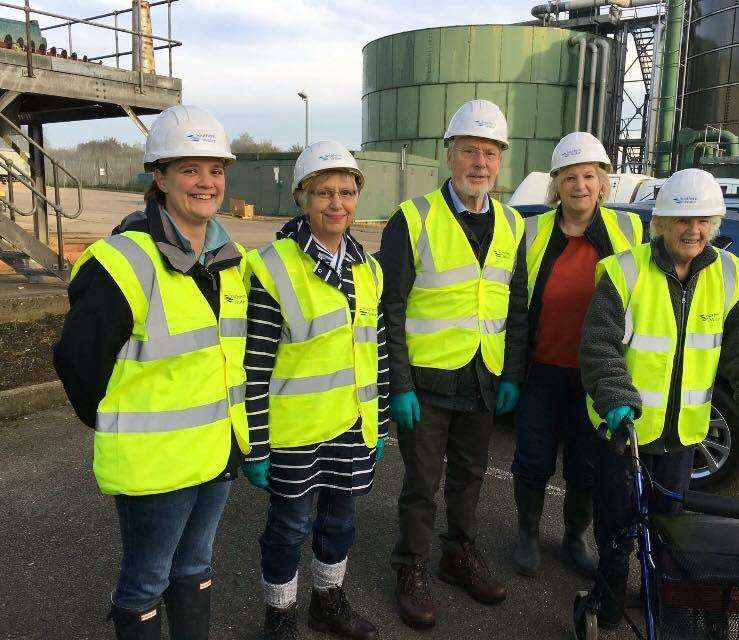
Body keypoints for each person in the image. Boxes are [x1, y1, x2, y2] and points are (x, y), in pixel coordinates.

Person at [53, 105, 249, 640]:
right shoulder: (123, 260)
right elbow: (76, 361)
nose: (206, 182)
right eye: (189, 169)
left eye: (215, 169)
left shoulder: (229, 258)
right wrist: (117, 421)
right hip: (155, 466)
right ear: (159, 178)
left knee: (195, 568)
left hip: (214, 453)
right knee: (146, 582)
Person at [578, 168, 739, 631]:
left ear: (713, 225)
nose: (692, 230)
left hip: (682, 434)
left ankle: (662, 597)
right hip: (624, 429)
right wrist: (615, 395)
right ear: (661, 222)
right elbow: (598, 345)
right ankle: (608, 594)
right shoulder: (624, 271)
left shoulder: (729, 275)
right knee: (617, 525)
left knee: (671, 527)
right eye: (681, 220)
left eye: (702, 221)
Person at [379, 99, 527, 630]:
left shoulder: (512, 225)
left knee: (470, 477)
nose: (479, 163)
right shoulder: (412, 219)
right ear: (449, 155)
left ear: (500, 161)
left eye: (489, 153)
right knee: (422, 483)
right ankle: (411, 567)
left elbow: (517, 307)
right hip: (426, 382)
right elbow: (389, 307)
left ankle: (457, 555)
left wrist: (511, 374)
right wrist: (399, 384)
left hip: (484, 381)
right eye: (469, 150)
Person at [241, 141, 388, 640]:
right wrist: (256, 444)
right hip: (293, 432)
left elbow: (377, 351)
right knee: (288, 529)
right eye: (324, 192)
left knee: (340, 524)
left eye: (346, 192)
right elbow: (254, 364)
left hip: (352, 424)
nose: (337, 203)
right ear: (303, 197)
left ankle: (328, 601)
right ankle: (279, 615)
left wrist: (381, 421)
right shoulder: (273, 267)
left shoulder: (368, 269)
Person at [511, 132, 644, 578]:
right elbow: (514, 305)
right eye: (570, 177)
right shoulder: (531, 231)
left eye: (589, 176)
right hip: (542, 371)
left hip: (599, 377)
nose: (580, 185)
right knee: (532, 459)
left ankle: (573, 537)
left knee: (586, 466)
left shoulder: (630, 230)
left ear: (603, 182)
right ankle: (527, 533)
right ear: (556, 184)